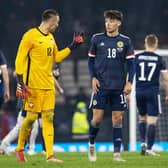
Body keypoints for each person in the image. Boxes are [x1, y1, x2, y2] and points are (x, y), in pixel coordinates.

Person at [15, 9, 84, 163]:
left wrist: (72, 46)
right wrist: (21, 83)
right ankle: (19, 148)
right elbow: (19, 59)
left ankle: (50, 155)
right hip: (32, 86)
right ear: (51, 22)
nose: (57, 25)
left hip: (48, 85)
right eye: (57, 22)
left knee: (48, 118)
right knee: (31, 118)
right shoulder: (30, 36)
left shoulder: (51, 38)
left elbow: (57, 57)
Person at [88, 10, 135, 162]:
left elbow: (132, 64)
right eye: (107, 21)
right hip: (100, 87)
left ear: (119, 23)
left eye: (112, 21)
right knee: (97, 120)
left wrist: (129, 82)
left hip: (118, 87)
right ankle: (91, 144)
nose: (108, 24)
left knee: (117, 119)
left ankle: (116, 154)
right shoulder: (96, 39)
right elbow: (90, 60)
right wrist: (93, 77)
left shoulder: (126, 41)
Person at [135, 34, 168, 156]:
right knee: (152, 121)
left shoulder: (137, 57)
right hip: (152, 92)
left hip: (139, 92)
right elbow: (166, 79)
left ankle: (143, 143)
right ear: (156, 44)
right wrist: (167, 94)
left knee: (142, 118)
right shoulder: (160, 59)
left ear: (145, 43)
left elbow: (130, 74)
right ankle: (149, 148)